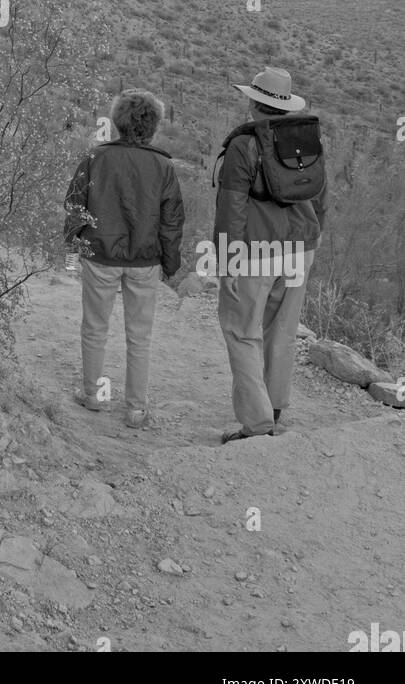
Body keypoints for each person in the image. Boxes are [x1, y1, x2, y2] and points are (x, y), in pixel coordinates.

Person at [213, 66, 327, 443]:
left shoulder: (244, 146)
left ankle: (257, 424)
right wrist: (315, 236)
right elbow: (320, 194)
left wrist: (226, 261)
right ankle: (274, 408)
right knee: (282, 331)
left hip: (258, 252)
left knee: (242, 332)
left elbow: (232, 208)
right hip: (301, 249)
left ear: (253, 102)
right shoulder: (307, 139)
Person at [64, 88, 189, 429]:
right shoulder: (163, 165)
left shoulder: (95, 158)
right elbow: (172, 220)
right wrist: (170, 264)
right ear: (153, 125)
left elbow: (75, 207)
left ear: (118, 121)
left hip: (99, 256)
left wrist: (72, 252)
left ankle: (92, 394)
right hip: (144, 261)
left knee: (94, 327)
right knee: (139, 336)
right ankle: (135, 409)